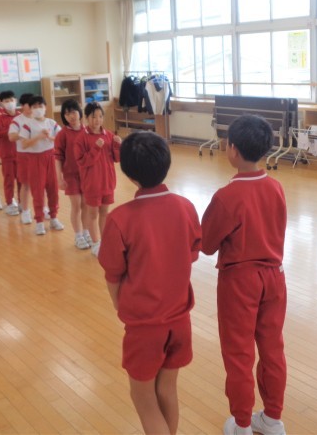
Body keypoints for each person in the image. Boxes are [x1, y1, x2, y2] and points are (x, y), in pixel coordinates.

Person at [98, 131, 201, 435]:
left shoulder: (120, 219)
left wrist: (120, 305)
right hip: (180, 319)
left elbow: (112, 273)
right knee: (167, 390)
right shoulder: (185, 207)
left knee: (142, 397)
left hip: (144, 326)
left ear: (129, 174)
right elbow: (192, 254)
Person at [201, 115, 287, 435]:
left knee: (239, 354)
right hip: (275, 277)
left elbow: (207, 244)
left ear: (232, 149)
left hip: (240, 281)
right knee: (272, 349)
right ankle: (273, 419)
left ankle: (241, 425)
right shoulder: (276, 187)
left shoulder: (227, 196)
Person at [75, 101, 122, 256]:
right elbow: (82, 162)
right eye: (94, 117)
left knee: (104, 213)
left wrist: (118, 146)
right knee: (93, 214)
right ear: (86, 118)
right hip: (92, 184)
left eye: (100, 116)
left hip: (108, 182)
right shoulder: (82, 138)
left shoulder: (108, 135)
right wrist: (96, 148)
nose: (98, 120)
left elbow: (116, 159)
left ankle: (104, 242)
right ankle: (96, 243)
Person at [18, 96, 64, 235]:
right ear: (31, 109)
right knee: (38, 191)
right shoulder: (27, 125)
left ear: (45, 107)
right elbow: (24, 144)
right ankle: (39, 221)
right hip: (35, 159)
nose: (38, 109)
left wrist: (49, 137)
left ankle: (54, 217)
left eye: (40, 106)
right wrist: (38, 137)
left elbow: (61, 139)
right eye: (35, 107)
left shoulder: (51, 123)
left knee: (53, 190)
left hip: (51, 157)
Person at [54, 99, 90, 249]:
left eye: (73, 112)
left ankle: (87, 232)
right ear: (64, 116)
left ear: (79, 113)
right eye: (67, 114)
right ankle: (78, 236)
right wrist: (59, 178)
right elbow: (58, 158)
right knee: (76, 206)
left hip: (86, 175)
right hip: (70, 175)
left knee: (86, 205)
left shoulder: (87, 131)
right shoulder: (62, 134)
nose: (71, 116)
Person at [0, 91, 20, 216]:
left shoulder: (20, 116)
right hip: (7, 155)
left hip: (21, 155)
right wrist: (11, 130)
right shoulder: (0, 118)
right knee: (9, 180)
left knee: (22, 180)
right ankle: (9, 203)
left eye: (11, 100)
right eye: (6, 101)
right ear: (2, 103)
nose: (9, 103)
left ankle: (22, 202)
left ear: (16, 100)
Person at [9, 93, 34, 224]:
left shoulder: (39, 118)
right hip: (24, 155)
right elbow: (11, 137)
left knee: (42, 184)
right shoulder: (17, 120)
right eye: (29, 105)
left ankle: (44, 209)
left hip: (38, 155)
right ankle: (25, 211)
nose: (32, 107)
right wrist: (24, 133)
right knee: (25, 184)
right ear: (23, 106)